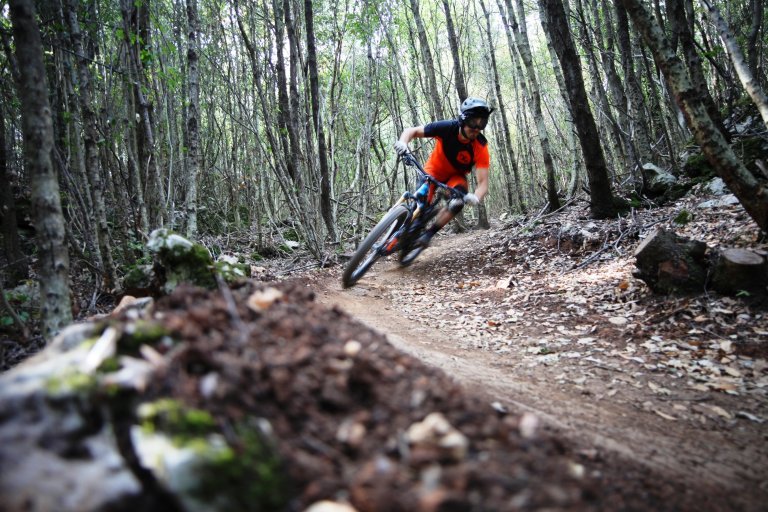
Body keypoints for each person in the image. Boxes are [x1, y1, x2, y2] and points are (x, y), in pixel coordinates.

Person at [393, 97, 494, 247]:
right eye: (474, 122)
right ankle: (403, 228)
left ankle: (429, 234)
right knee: (418, 205)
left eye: (482, 123)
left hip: (455, 178)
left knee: (457, 203)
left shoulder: (480, 146)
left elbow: (483, 184)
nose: (477, 128)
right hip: (433, 171)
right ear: (463, 120)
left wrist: (476, 197)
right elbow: (411, 131)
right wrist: (403, 142)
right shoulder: (447, 128)